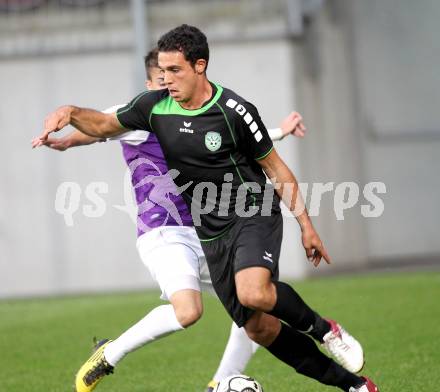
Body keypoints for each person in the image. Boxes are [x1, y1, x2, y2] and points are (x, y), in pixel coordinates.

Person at [34, 25, 379, 392]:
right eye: (162, 72)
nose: (166, 79)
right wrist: (69, 112)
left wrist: (306, 226)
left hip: (252, 209)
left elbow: (275, 168)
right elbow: (104, 124)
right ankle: (356, 386)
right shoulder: (153, 107)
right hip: (209, 231)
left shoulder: (235, 111)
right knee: (259, 328)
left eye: (175, 71)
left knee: (254, 292)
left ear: (200, 66)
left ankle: (327, 331)